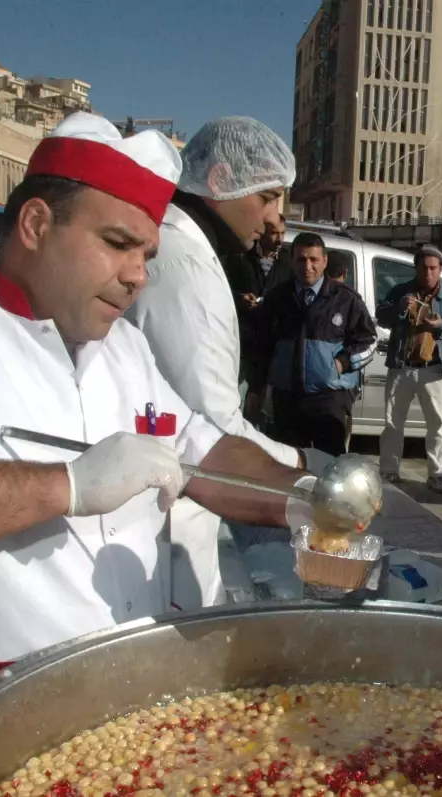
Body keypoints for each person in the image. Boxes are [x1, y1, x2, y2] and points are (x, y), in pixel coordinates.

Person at [0, 112, 318, 761]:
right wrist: (67, 485)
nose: (138, 274)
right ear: (35, 225)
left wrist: (304, 495)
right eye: (117, 243)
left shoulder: (126, 352)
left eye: (146, 253)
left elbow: (209, 452)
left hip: (127, 724)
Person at [127, 117, 322, 611]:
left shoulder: (191, 252)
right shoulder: (182, 266)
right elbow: (209, 423)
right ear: (219, 182)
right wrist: (297, 465)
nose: (277, 218)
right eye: (268, 197)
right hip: (166, 517)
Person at [251, 232, 376, 455]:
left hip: (329, 400)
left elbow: (369, 341)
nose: (307, 266)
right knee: (288, 467)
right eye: (301, 259)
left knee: (328, 467)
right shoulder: (278, 298)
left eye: (314, 260)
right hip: (287, 400)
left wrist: (342, 363)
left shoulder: (346, 299)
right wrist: (256, 387)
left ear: (325, 261)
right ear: (291, 261)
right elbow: (261, 346)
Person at [376, 245, 442, 493]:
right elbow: (381, 316)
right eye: (423, 267)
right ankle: (388, 472)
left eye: (433, 268)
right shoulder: (401, 292)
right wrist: (399, 308)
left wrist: (441, 326)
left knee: (437, 426)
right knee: (392, 424)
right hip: (401, 367)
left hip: (433, 370)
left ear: (441, 269)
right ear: (416, 268)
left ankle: (438, 476)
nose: (428, 273)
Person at [221, 212, 294, 398]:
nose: (279, 239)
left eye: (283, 233)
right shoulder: (241, 257)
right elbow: (223, 287)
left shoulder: (289, 262)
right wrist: (240, 299)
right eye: (274, 233)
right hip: (243, 342)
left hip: (272, 344)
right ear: (263, 233)